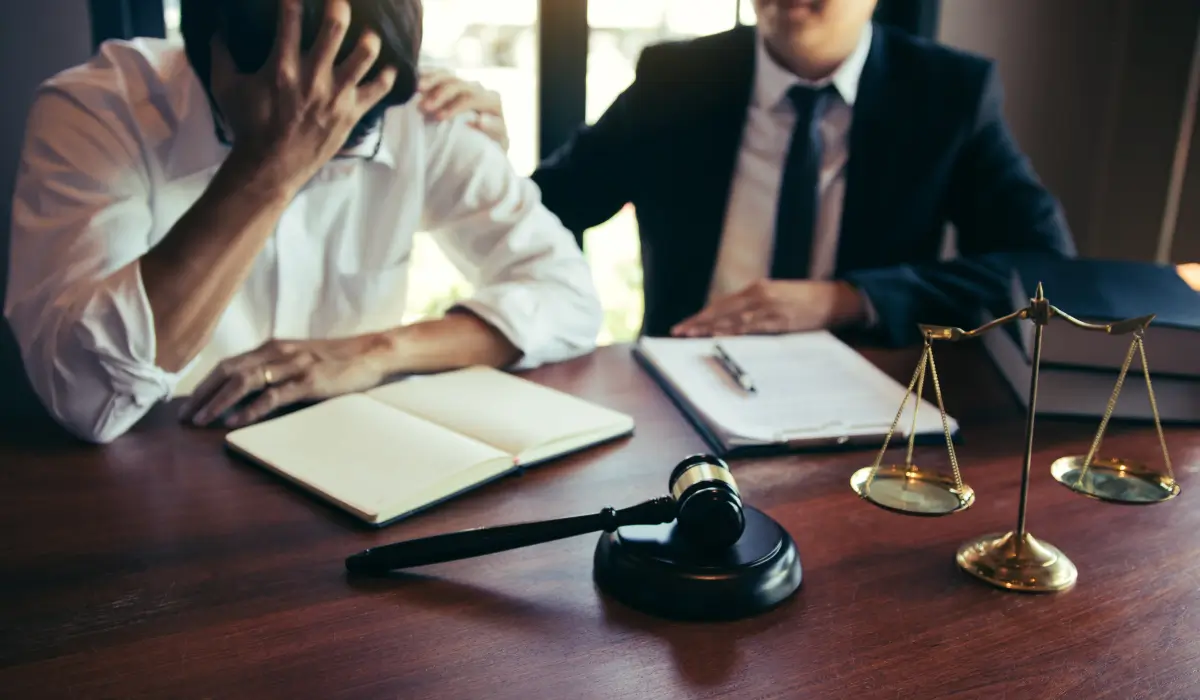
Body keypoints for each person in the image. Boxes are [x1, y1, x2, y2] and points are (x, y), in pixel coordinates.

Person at [3, 0, 603, 445]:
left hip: (347, 460)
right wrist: (268, 170)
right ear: (212, 59)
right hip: (152, 484)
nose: (329, 127)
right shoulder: (97, 111)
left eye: (349, 126)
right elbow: (88, 398)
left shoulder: (411, 103)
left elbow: (568, 296)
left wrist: (375, 352)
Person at [416, 0, 1077, 345]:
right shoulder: (677, 79)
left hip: (867, 384)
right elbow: (549, 212)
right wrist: (485, 158)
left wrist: (845, 298)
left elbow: (1046, 265)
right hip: (686, 384)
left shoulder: (948, 93)